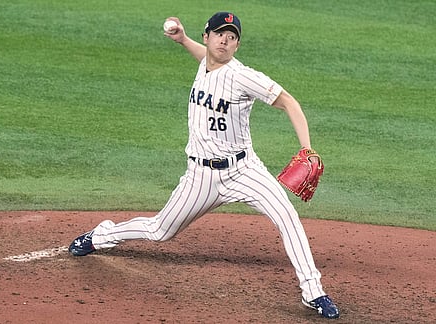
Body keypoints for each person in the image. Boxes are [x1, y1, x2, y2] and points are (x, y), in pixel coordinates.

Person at [68, 12, 340, 319]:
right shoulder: (205, 64)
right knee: (160, 230)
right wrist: (182, 40)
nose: (225, 40)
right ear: (206, 37)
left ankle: (313, 291)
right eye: (220, 34)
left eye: (232, 36)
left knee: (287, 216)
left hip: (243, 170)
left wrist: (306, 147)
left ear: (237, 45)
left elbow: (289, 101)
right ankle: (101, 236)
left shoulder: (243, 76)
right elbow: (206, 60)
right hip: (201, 176)